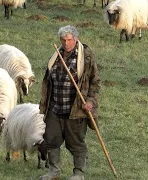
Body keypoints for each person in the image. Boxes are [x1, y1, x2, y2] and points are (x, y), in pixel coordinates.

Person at [38, 25, 101, 180]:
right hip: (54, 107)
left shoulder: (85, 57)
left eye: (69, 40)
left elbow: (95, 82)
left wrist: (91, 101)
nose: (66, 43)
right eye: (63, 40)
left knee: (76, 142)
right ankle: (54, 172)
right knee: (51, 139)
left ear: (76, 39)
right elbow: (48, 82)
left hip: (75, 110)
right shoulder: (55, 56)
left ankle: (78, 173)